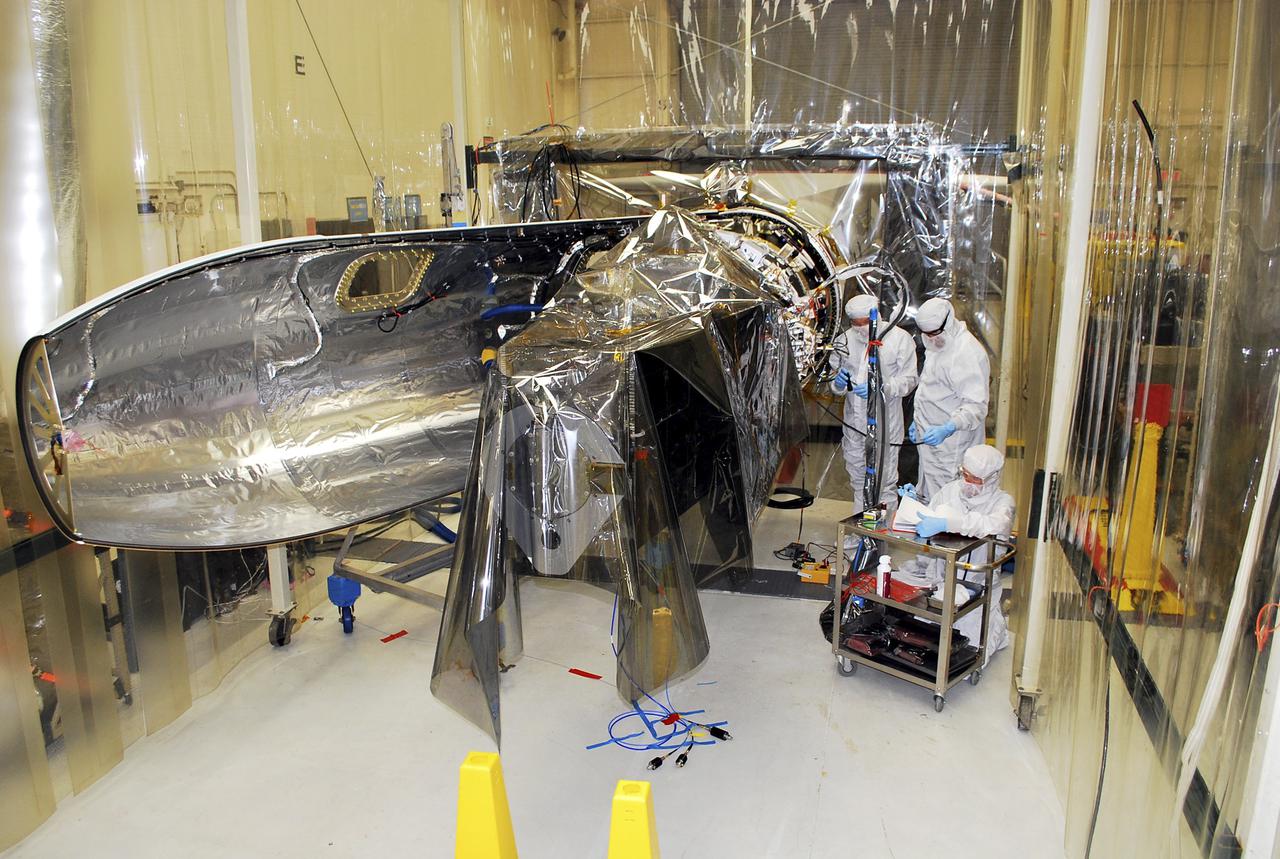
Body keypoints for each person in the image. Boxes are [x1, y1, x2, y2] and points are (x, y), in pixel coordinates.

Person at [901, 444, 1013, 665]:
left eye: (975, 480)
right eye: (965, 475)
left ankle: (996, 628)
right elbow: (930, 515)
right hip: (942, 580)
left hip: (978, 585)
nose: (968, 483)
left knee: (968, 653)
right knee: (919, 637)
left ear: (991, 479)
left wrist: (949, 522)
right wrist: (915, 508)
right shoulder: (951, 490)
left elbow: (989, 524)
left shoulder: (1003, 503)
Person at [830, 294, 918, 513]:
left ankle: (882, 534)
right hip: (854, 423)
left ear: (876, 316)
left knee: (885, 480)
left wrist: (882, 387)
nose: (860, 329)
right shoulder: (844, 340)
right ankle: (861, 530)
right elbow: (833, 379)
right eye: (855, 324)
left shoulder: (898, 339)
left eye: (865, 323)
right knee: (858, 478)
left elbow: (909, 380)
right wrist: (838, 383)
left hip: (886, 423)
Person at [908, 297, 991, 499]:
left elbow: (976, 406)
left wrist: (948, 428)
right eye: (925, 334)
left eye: (934, 333)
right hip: (929, 436)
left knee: (949, 498)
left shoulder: (967, 352)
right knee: (929, 492)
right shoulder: (937, 346)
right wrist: (917, 420)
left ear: (948, 322)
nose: (930, 338)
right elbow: (932, 388)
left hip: (952, 443)